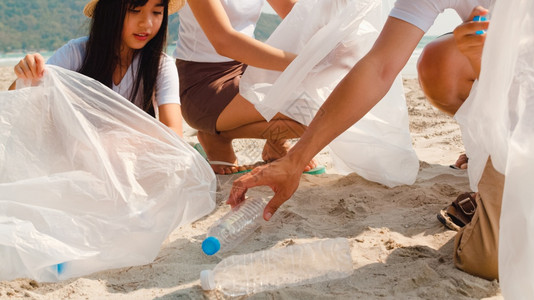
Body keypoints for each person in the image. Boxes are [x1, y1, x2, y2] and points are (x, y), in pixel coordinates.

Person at [228, 1, 499, 280]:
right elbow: (379, 66)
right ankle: (488, 159)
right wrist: (295, 160)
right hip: (510, 104)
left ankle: (494, 169)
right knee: (488, 260)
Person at [174, 0, 320, 174]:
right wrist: (303, 64)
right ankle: (216, 136)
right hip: (205, 82)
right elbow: (224, 41)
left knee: (323, 103)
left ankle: (276, 143)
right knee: (313, 110)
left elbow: (300, 17)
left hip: (248, 69)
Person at [9, 0, 184, 138]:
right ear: (109, 10)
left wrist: (121, 140)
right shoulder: (77, 53)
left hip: (133, 162)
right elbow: (14, 100)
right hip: (78, 161)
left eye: (157, 12)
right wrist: (27, 74)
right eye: (135, 10)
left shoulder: (161, 65)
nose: (147, 23)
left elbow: (174, 131)